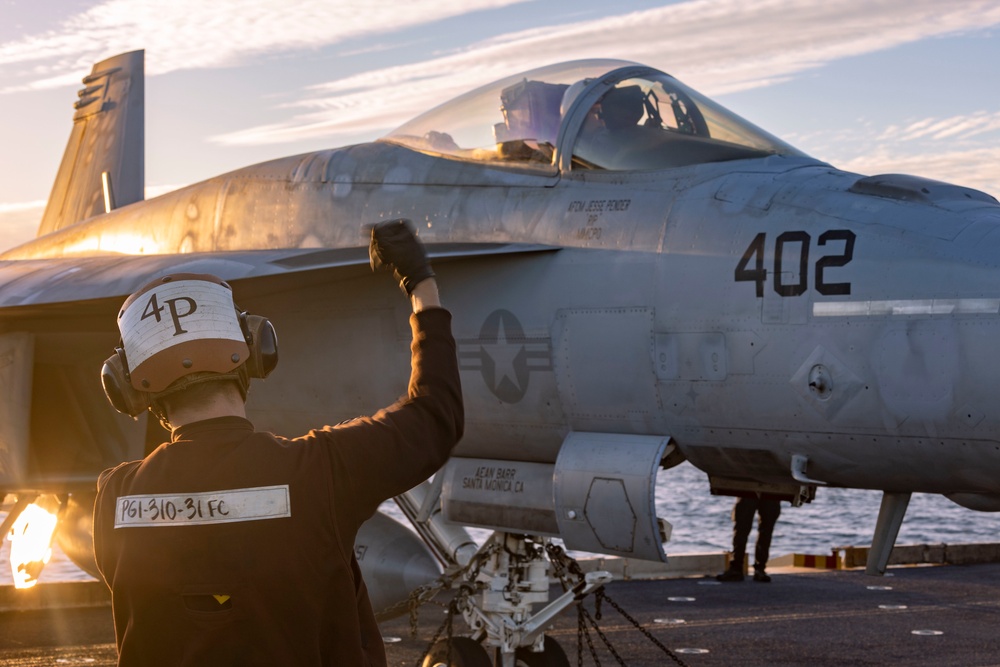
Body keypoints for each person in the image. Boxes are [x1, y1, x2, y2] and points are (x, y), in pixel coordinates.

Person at [93, 219, 463, 666]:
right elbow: (434, 417)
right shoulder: (322, 470)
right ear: (255, 350)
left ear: (131, 392)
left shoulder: (116, 499)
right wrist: (420, 282)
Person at [717, 495, 782, 583]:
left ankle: (753, 568)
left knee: (762, 530)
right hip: (758, 489)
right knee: (744, 529)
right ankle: (743, 568)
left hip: (768, 490)